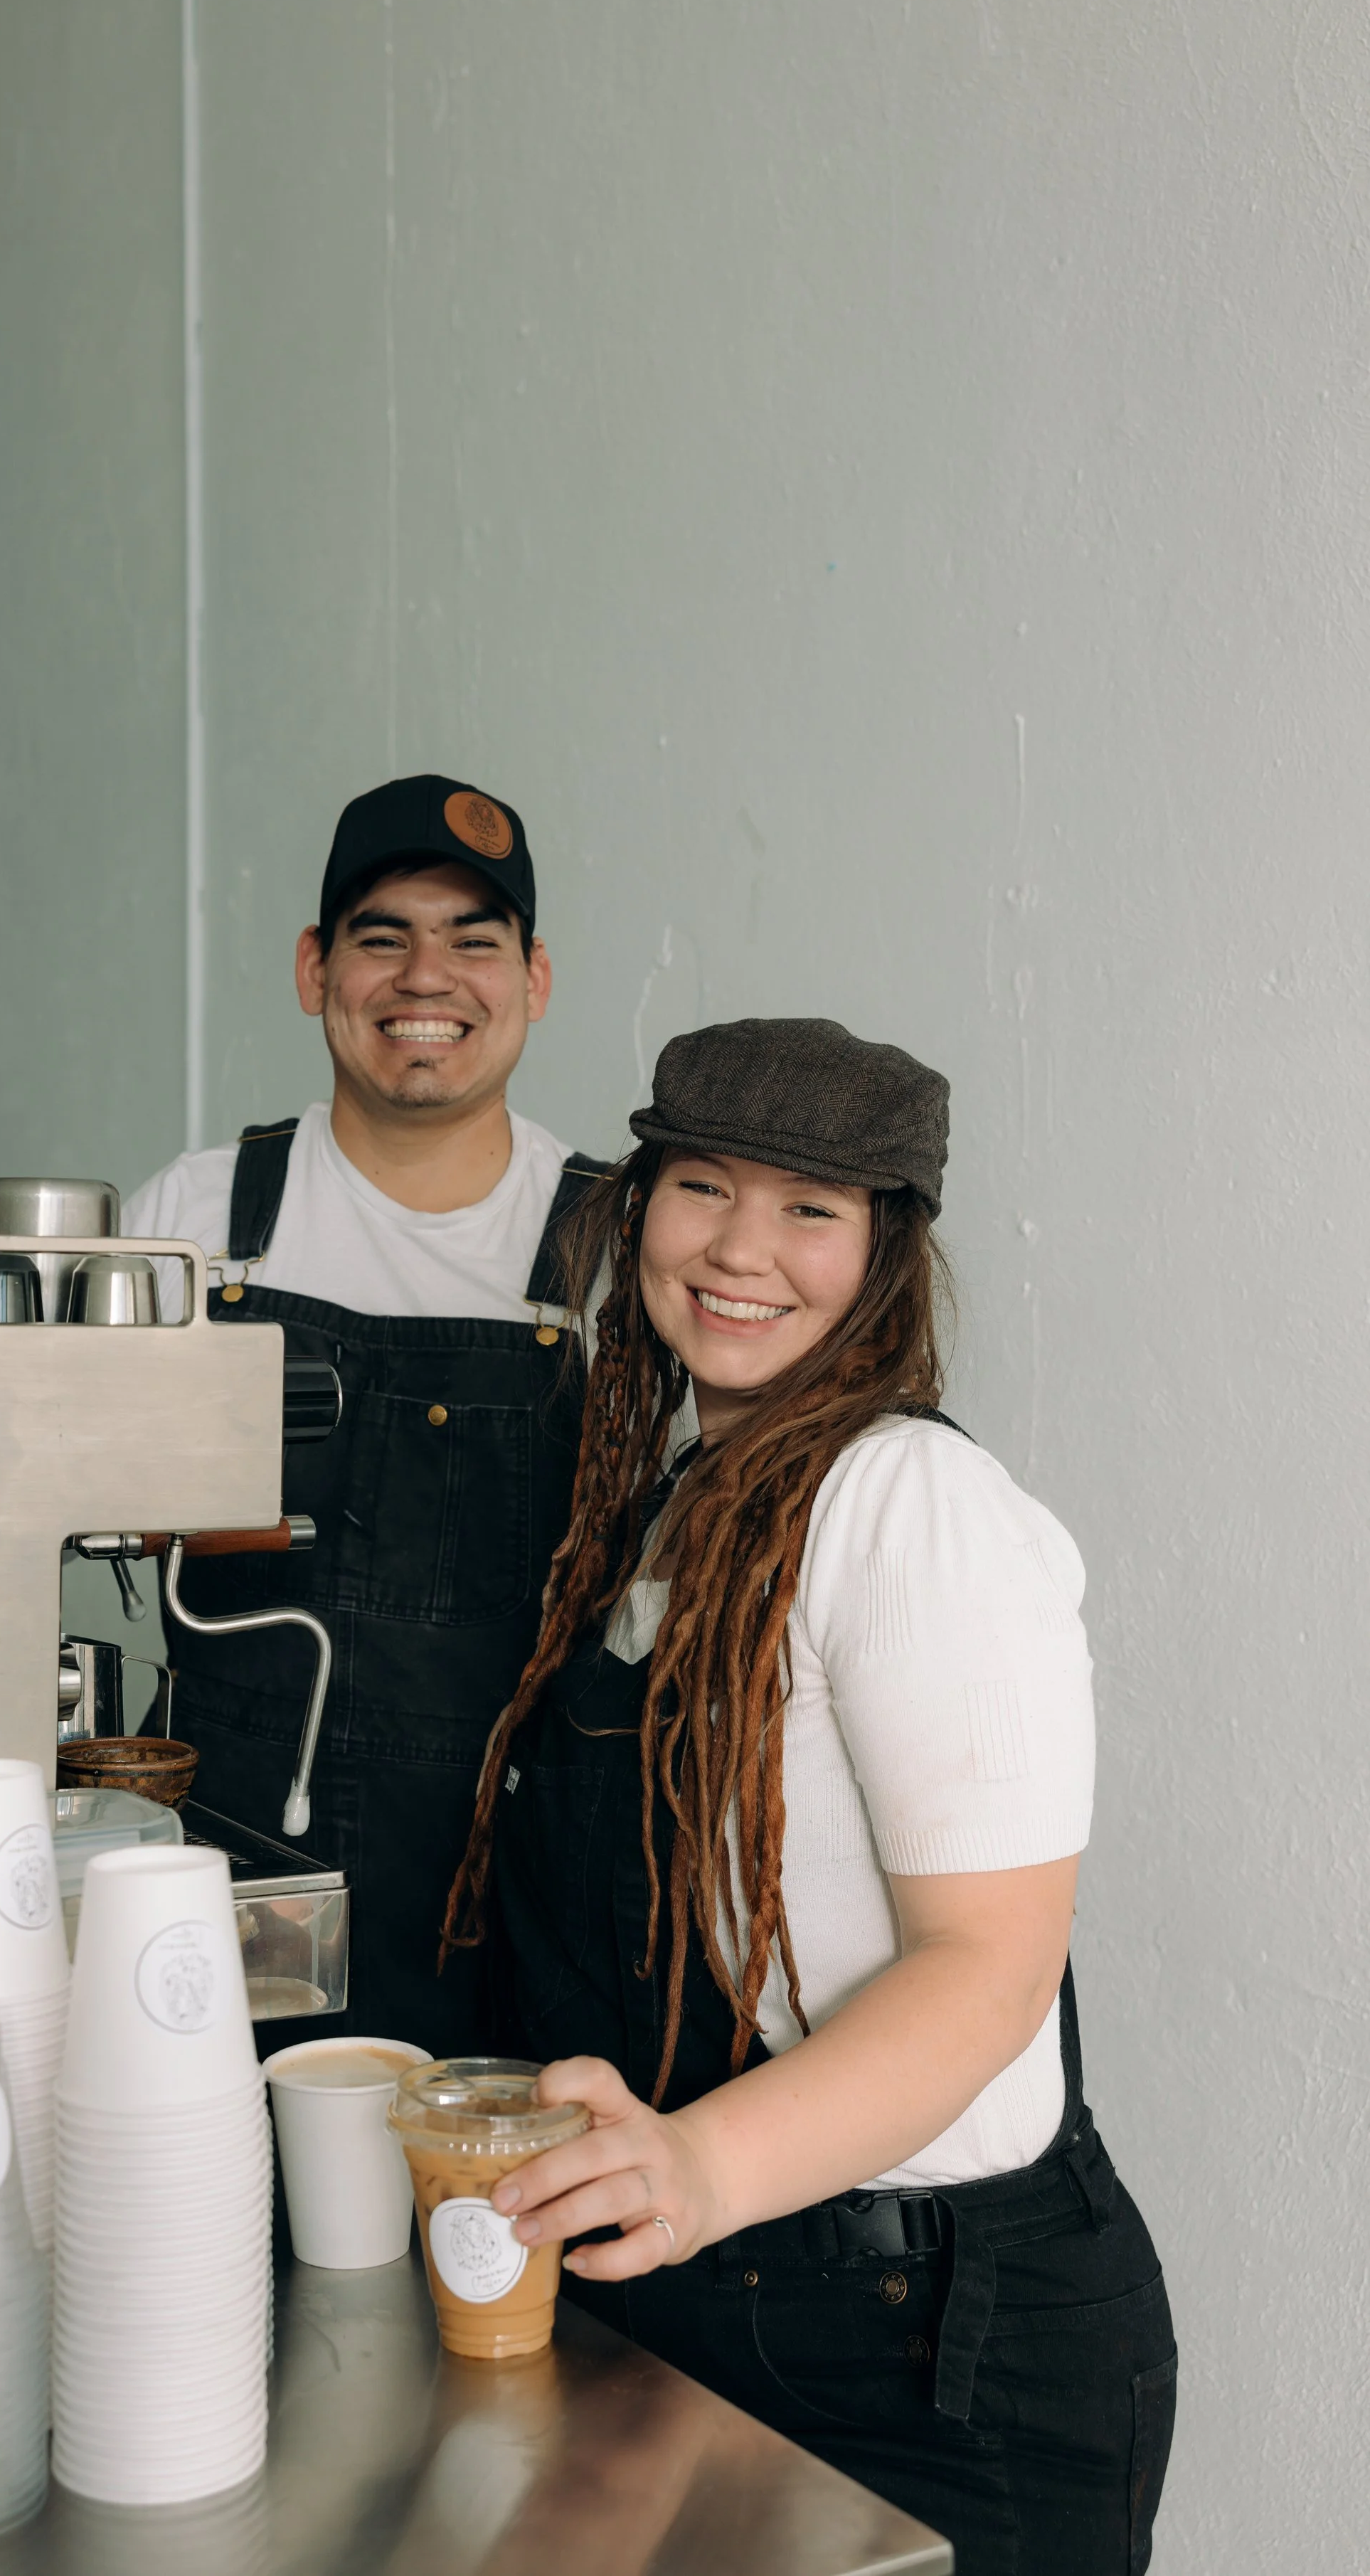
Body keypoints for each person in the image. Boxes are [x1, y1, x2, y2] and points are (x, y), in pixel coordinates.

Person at [442, 1017, 1176, 2576]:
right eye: (701, 1185)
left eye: (808, 1209)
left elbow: (986, 1967)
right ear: (636, 1202)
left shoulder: (910, 1505)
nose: (737, 1249)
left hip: (937, 2348)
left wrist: (700, 2165)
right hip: (742, 2295)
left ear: (885, 1249)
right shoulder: (673, 1501)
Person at [126, 775, 607, 2055]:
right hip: (230, 1854)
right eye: (383, 935)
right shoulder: (200, 1219)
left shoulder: (615, 1244)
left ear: (535, 978)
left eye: (474, 939)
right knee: (230, 2212)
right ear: (313, 967)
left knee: (490, 2232)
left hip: (521, 1877)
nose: (425, 976)